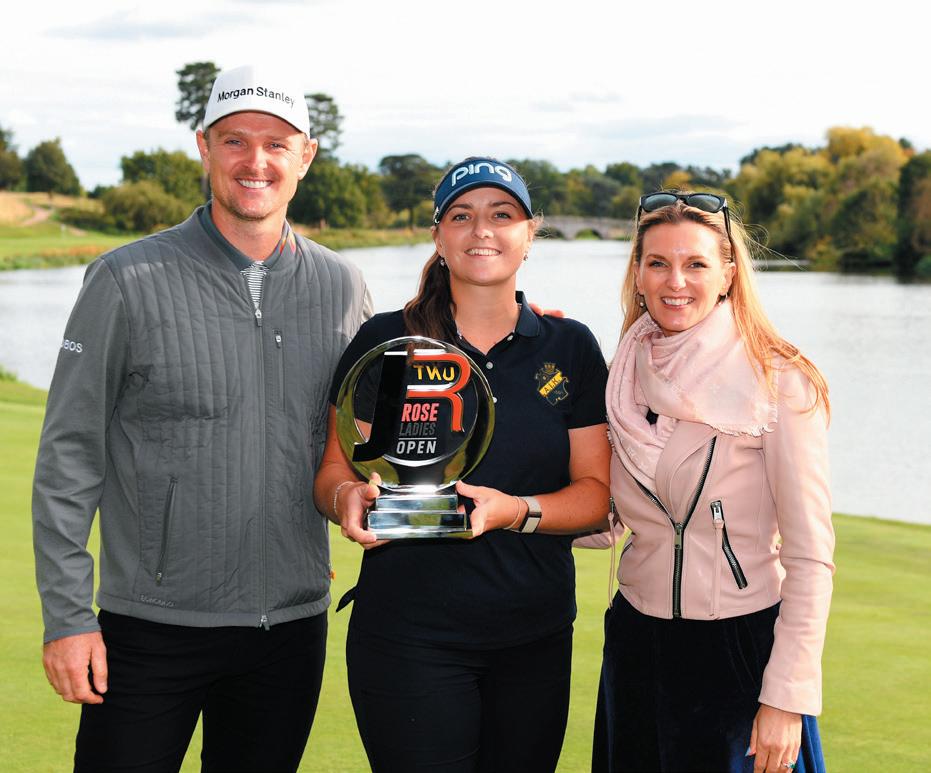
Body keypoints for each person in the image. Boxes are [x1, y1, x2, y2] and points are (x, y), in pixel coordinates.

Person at [32, 64, 371, 773]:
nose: (256, 161)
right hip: (149, 628)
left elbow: (375, 420)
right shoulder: (124, 279)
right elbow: (69, 456)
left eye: (277, 144)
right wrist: (67, 617)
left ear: (306, 156)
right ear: (204, 147)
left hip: (290, 631)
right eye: (235, 140)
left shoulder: (342, 285)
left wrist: (511, 328)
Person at [314, 158, 612, 772]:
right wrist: (347, 500)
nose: (482, 230)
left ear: (529, 234)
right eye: (461, 216)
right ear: (438, 237)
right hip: (407, 636)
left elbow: (595, 496)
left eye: (502, 215)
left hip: (534, 639)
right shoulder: (387, 341)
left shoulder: (570, 346)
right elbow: (334, 473)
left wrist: (515, 512)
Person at [590, 191, 833, 773]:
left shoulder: (778, 379)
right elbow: (606, 520)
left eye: (695, 264)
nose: (675, 281)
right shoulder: (622, 376)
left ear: (727, 275)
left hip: (739, 652)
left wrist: (786, 698)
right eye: (658, 263)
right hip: (636, 648)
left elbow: (810, 556)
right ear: (638, 274)